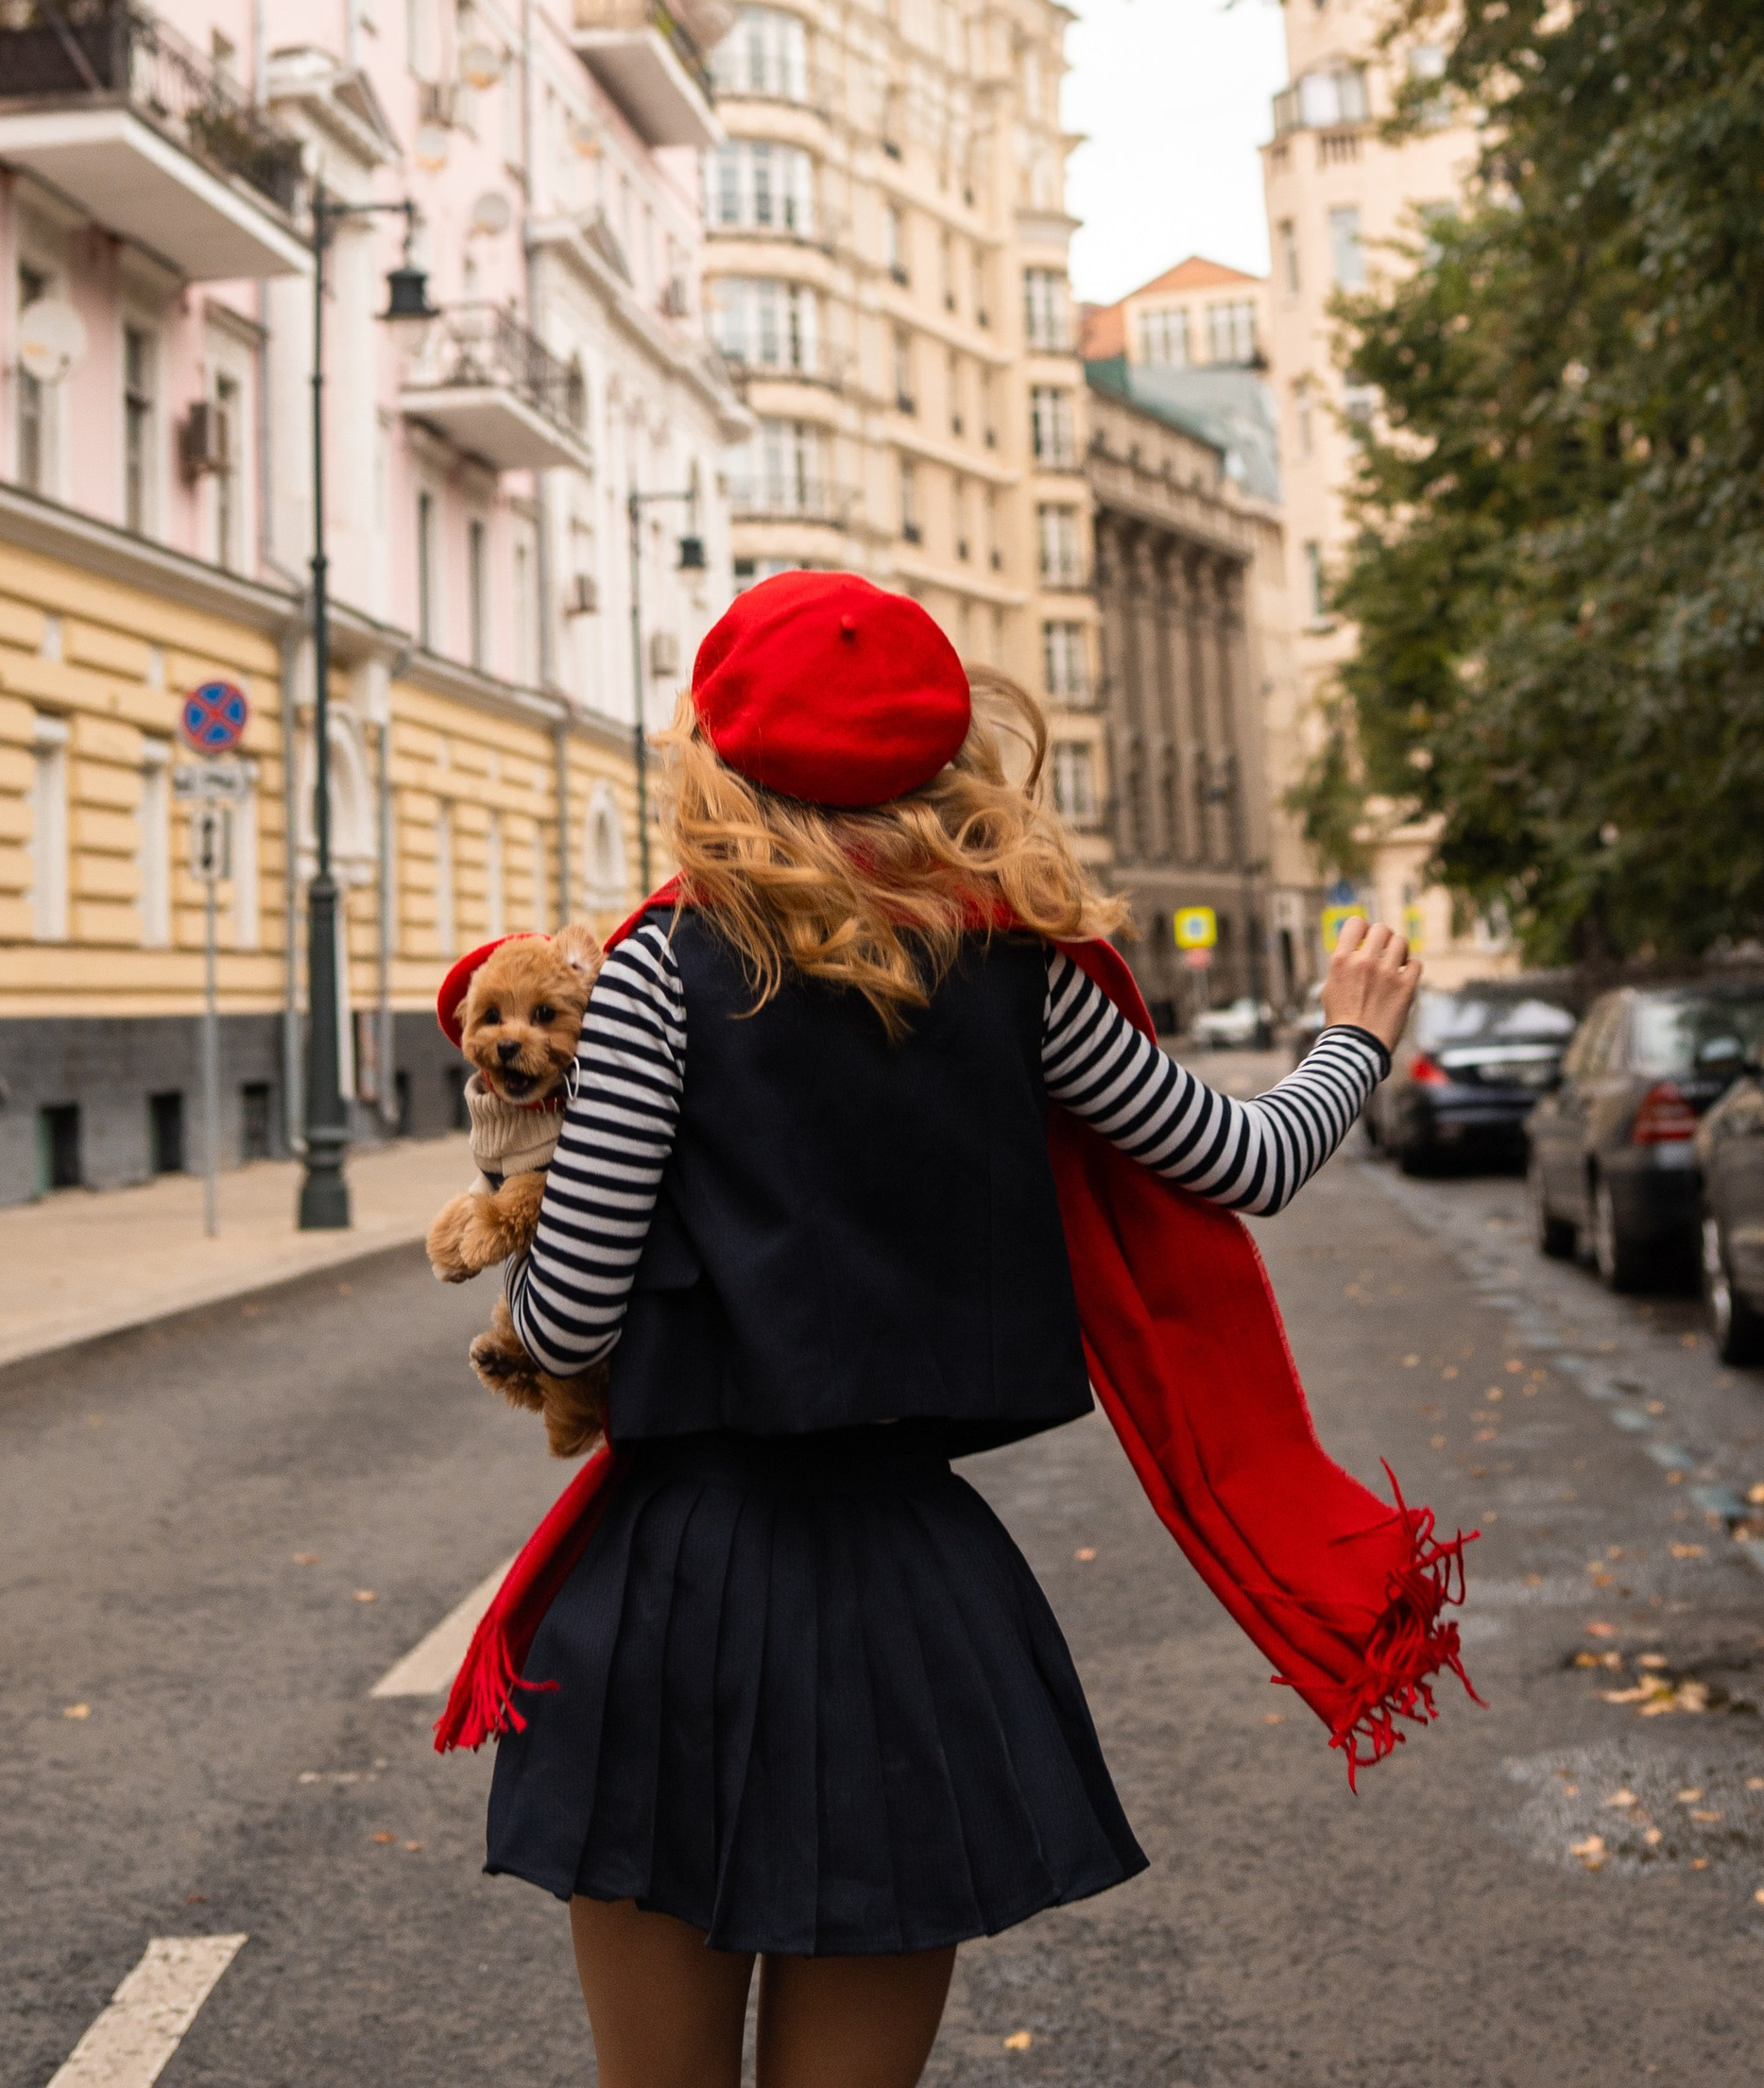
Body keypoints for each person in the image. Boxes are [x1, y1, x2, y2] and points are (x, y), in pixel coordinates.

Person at [470, 571, 1425, 2088]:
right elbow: (1246, 1161)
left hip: (676, 1588)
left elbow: (574, 1306)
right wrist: (1356, 1035)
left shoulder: (660, 965)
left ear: (718, 749)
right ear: (941, 762)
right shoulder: (1022, 975)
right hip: (908, 1596)